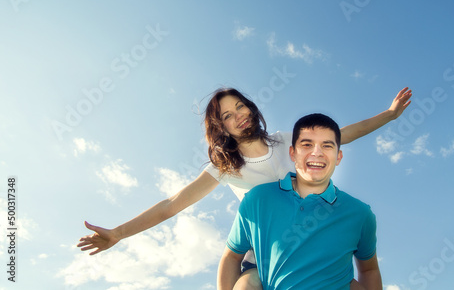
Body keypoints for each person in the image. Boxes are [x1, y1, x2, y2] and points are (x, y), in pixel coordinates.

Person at [78, 87, 410, 288]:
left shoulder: (284, 142)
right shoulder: (226, 169)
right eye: (227, 115)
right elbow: (171, 204)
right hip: (265, 262)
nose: (239, 115)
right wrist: (119, 233)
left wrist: (390, 115)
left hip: (314, 252)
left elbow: (344, 133)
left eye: (241, 106)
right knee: (248, 284)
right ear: (220, 127)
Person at [218, 113, 382, 290]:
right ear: (292, 153)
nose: (316, 152)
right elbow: (232, 257)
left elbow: (369, 270)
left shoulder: (360, 214)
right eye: (307, 145)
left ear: (339, 157)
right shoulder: (257, 200)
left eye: (327, 146)